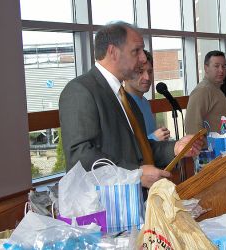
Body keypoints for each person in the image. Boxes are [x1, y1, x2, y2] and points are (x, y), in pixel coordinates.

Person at [59, 21, 203, 188]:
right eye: (136, 51)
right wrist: (135, 174)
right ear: (113, 52)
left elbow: (140, 149)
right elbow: (80, 156)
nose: (143, 58)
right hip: (106, 206)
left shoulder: (125, 97)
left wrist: (176, 148)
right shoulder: (81, 90)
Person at [125, 50, 170, 141]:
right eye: (140, 72)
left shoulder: (145, 102)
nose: (147, 77)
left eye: (149, 72)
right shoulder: (122, 104)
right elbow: (125, 147)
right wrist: (154, 137)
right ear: (126, 73)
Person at [185, 50, 226, 134]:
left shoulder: (216, 88)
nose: (221, 70)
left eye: (224, 66)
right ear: (206, 68)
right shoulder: (203, 90)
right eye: (216, 66)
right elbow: (192, 127)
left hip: (223, 144)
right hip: (209, 146)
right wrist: (204, 145)